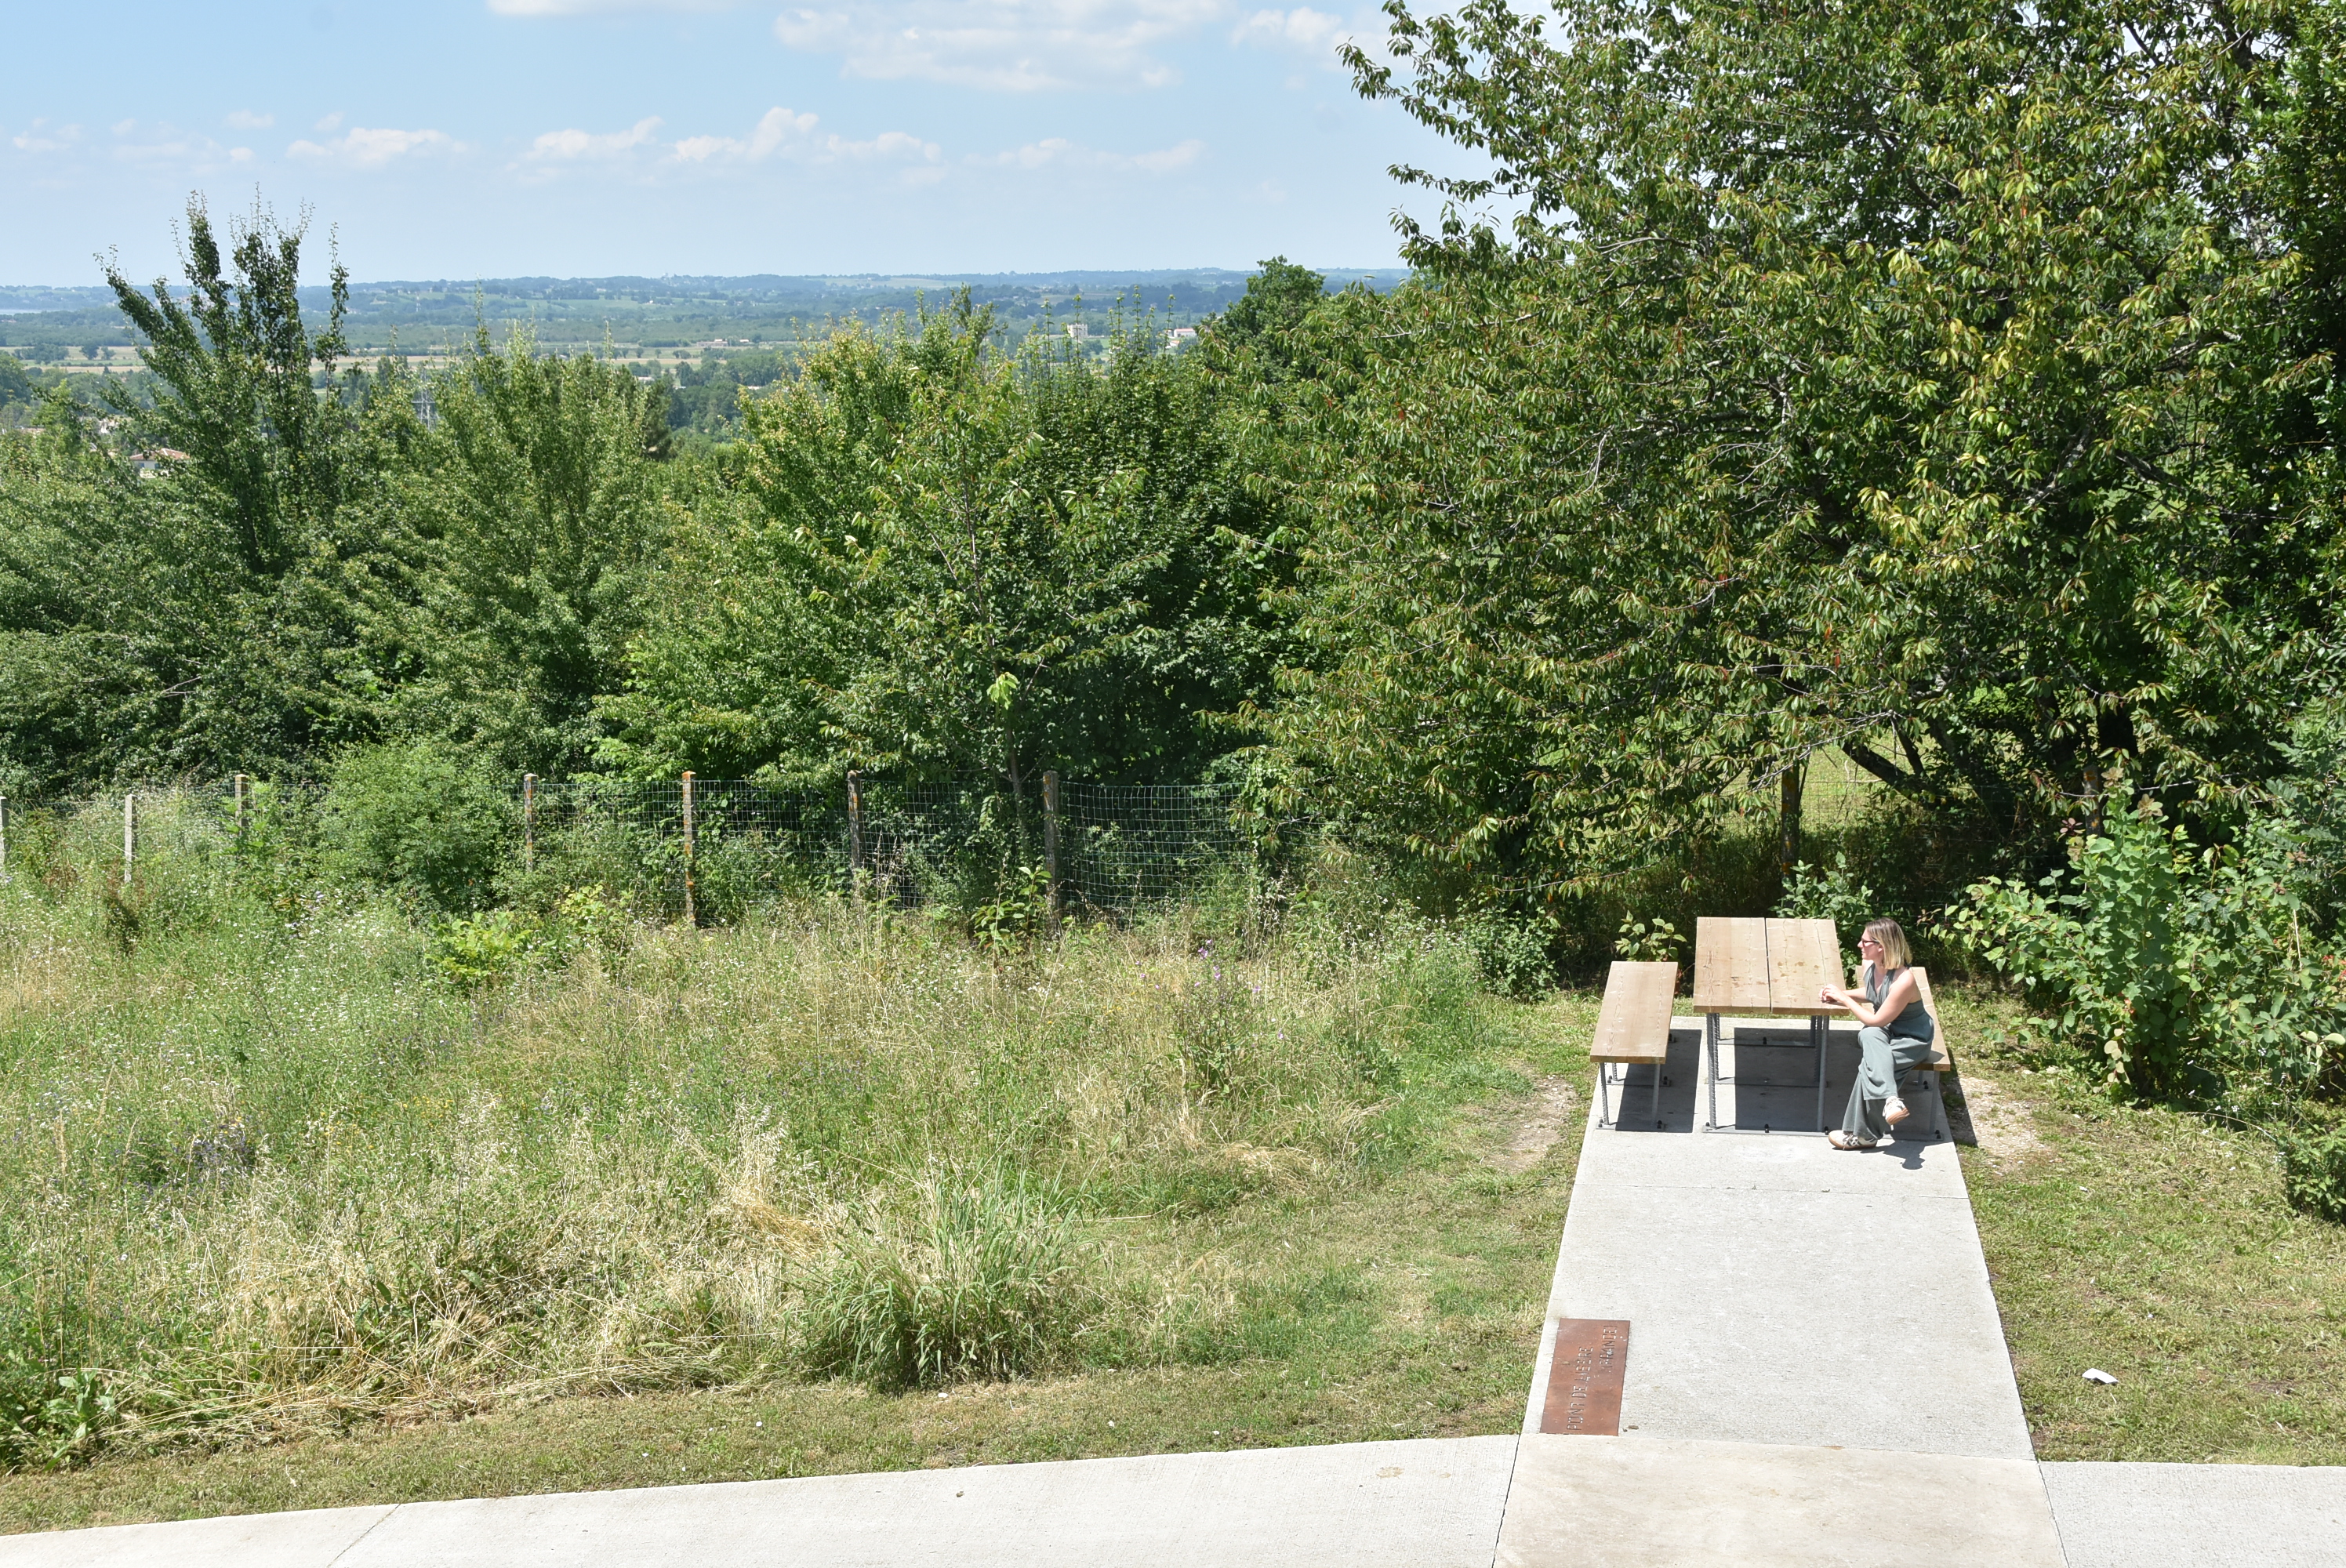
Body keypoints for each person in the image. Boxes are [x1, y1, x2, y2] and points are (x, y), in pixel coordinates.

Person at [1819, 917, 1934, 1150]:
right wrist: (1843, 994)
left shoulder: (1904, 980)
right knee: (1870, 1035)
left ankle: (1863, 1135)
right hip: (1887, 1031)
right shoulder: (1871, 967)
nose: (1860, 945)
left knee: (1869, 1069)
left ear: (1881, 946)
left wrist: (1844, 1000)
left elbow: (1876, 1018)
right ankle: (1891, 1101)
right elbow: (1873, 993)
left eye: (1865, 942)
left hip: (1912, 1039)